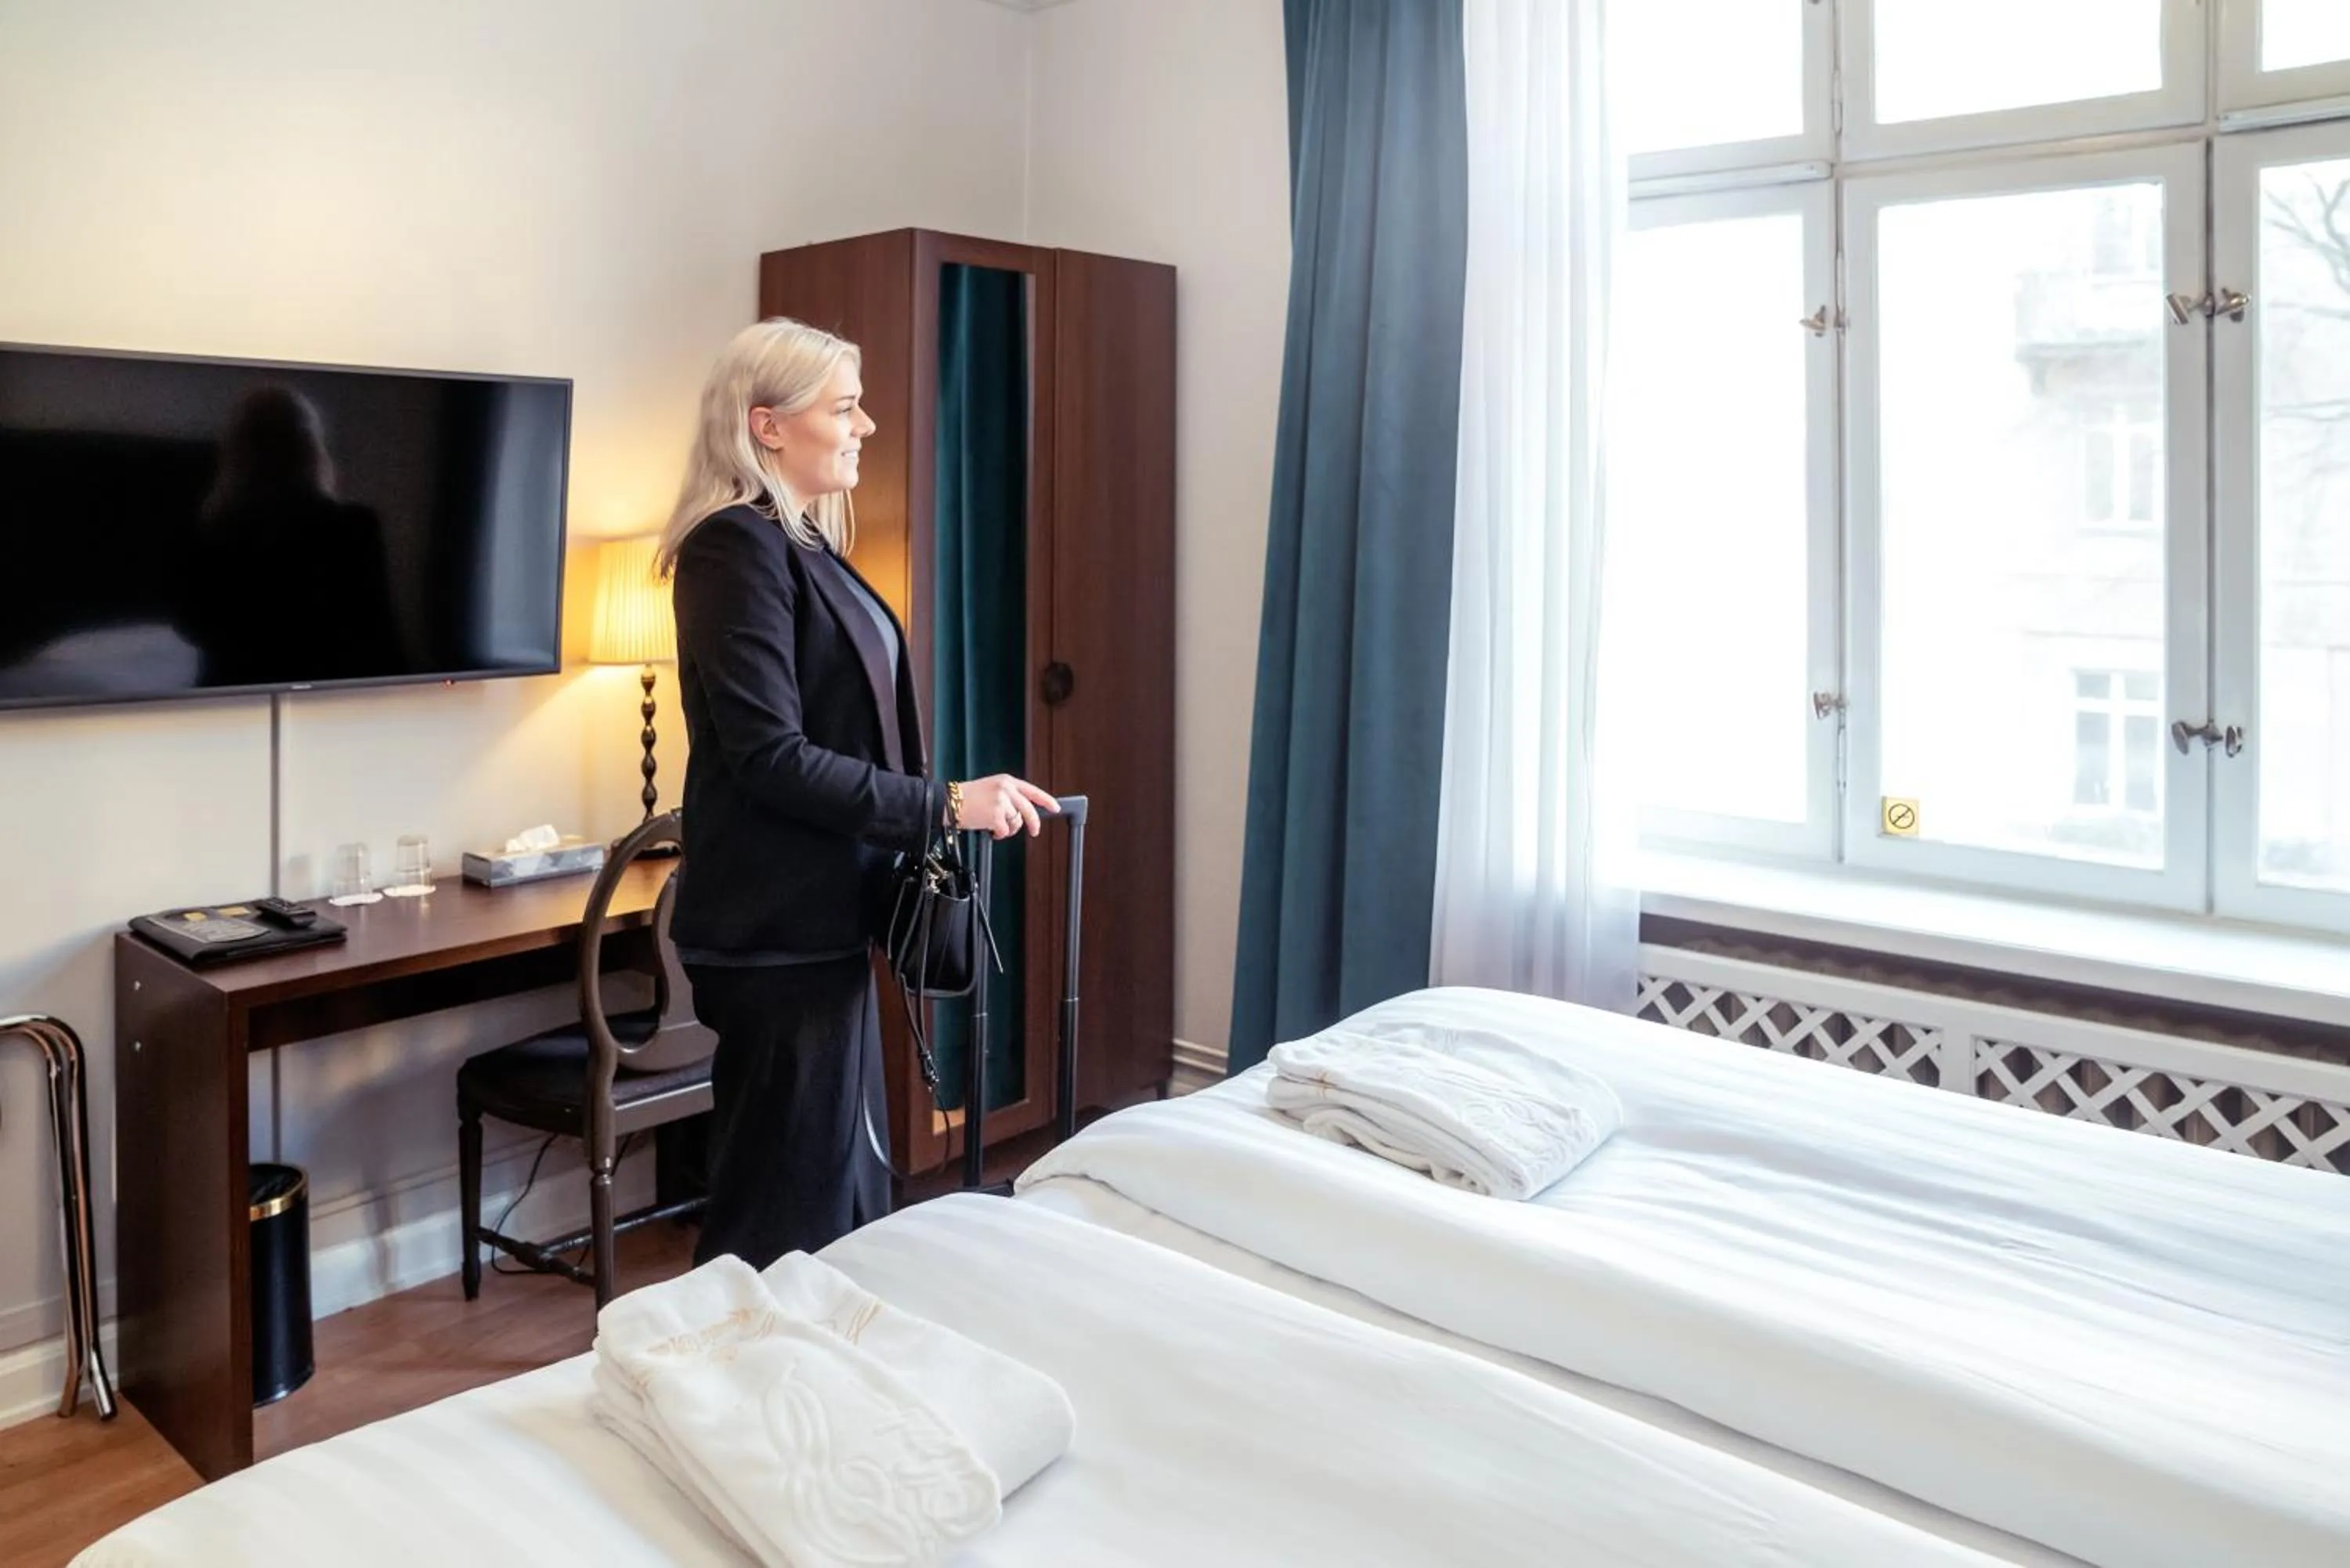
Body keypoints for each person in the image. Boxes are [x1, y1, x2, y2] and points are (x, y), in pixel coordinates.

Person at [658, 316, 1057, 1270]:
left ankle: (816, 1354)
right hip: (774, 934)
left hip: (824, 923)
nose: (866, 426)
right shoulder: (732, 549)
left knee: (835, 1197)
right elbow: (770, 756)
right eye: (844, 408)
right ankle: (734, 1356)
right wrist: (945, 803)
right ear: (766, 425)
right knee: (779, 1212)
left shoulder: (801, 545)